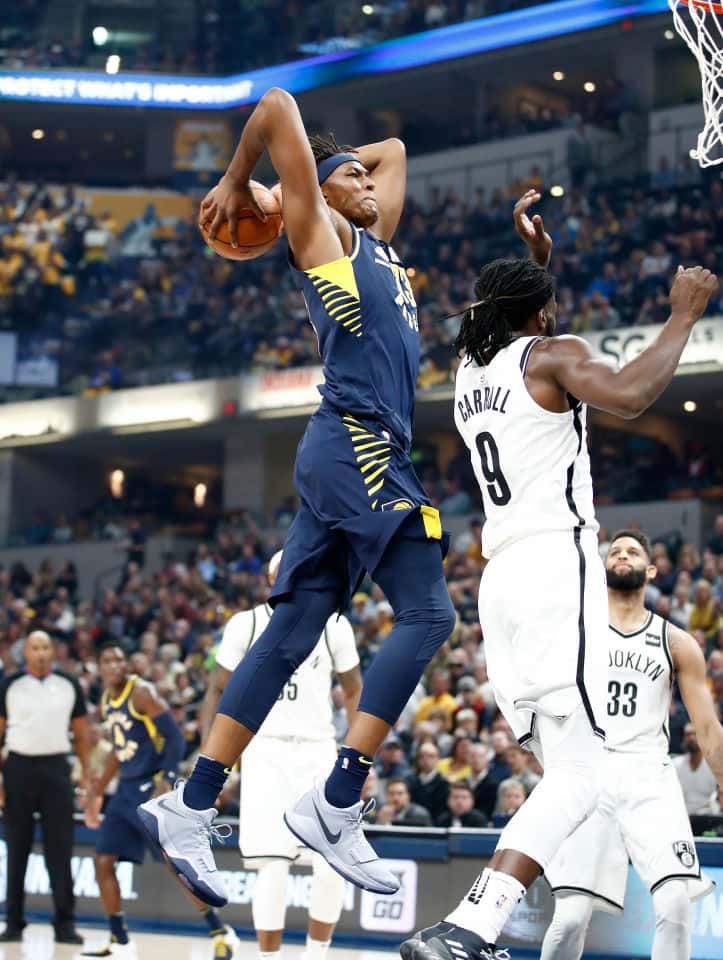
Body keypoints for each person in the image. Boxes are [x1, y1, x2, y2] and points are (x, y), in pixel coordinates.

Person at [139, 85, 455, 905]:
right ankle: (338, 798)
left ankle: (190, 802)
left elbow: (395, 152)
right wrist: (248, 183)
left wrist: (338, 162)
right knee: (427, 612)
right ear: (322, 193)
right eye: (353, 179)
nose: (372, 185)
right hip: (359, 441)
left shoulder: (375, 237)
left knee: (290, 634)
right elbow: (277, 104)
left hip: (346, 449)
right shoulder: (324, 235)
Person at [401, 191, 718, 960]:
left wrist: (536, 266)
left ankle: (477, 924)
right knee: (579, 775)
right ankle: (472, 924)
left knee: (567, 766)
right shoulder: (551, 353)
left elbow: (511, 325)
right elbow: (632, 394)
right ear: (541, 316)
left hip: (498, 581)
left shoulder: (469, 365)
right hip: (553, 566)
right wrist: (681, 313)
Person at [541, 530, 723, 960]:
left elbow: (708, 727)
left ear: (652, 569)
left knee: (675, 902)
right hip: (589, 773)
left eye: (633, 551)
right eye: (615, 551)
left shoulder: (677, 642)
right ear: (604, 568)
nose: (622, 555)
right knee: (570, 917)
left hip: (648, 776)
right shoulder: (576, 631)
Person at [199, 550, 361, 960]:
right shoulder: (246, 624)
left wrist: (358, 750)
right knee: (272, 864)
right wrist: (210, 757)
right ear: (272, 580)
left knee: (331, 862)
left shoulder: (335, 625)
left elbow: (356, 688)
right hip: (265, 752)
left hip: (319, 751)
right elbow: (216, 689)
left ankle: (316, 953)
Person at [83, 644, 237, 958]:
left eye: (119, 659)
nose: (114, 665)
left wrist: (165, 778)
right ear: (99, 667)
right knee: (103, 860)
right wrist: (99, 787)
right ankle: (119, 939)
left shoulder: (141, 692)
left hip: (149, 787)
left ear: (127, 664)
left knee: (174, 864)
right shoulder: (106, 699)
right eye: (107, 660)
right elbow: (118, 748)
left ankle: (221, 931)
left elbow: (175, 736)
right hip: (124, 789)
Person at [0, 630, 89, 944]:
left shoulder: (68, 684)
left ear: (53, 651)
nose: (40, 652)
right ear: (26, 652)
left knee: (60, 850)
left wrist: (87, 774)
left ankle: (64, 923)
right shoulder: (9, 684)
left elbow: (81, 734)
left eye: (45, 647)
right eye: (35, 647)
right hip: (18, 768)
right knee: (16, 849)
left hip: (56, 769)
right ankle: (13, 922)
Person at [674, 722, 718, 815]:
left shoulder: (713, 765)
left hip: (709, 817)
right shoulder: (676, 764)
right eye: (688, 735)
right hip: (683, 816)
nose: (691, 738)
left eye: (695, 734)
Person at [408, 742, 450, 823]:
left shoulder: (444, 784)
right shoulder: (410, 781)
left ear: (438, 759)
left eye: (431, 756)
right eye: (422, 756)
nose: (426, 759)